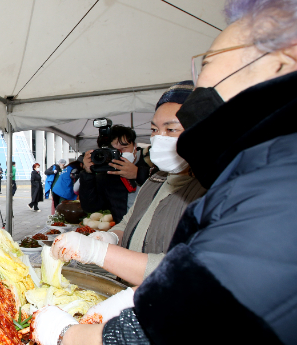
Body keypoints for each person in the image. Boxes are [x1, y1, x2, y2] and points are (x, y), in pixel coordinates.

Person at [33, 0, 297, 345]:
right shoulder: (251, 170)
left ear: (282, 60)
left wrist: (63, 334)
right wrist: (108, 239)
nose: (201, 86)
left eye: (209, 62)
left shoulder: (278, 186)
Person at [51, 81, 205, 285]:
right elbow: (128, 222)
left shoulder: (211, 190)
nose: (160, 138)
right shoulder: (155, 180)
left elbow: (186, 271)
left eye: (171, 130)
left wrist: (97, 252)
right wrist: (112, 238)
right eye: (154, 130)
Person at [78, 125, 144, 223]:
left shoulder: (151, 165)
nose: (120, 154)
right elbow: (90, 207)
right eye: (114, 151)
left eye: (124, 148)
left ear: (134, 146)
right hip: (123, 229)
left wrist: (139, 174)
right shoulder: (106, 174)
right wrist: (88, 174)